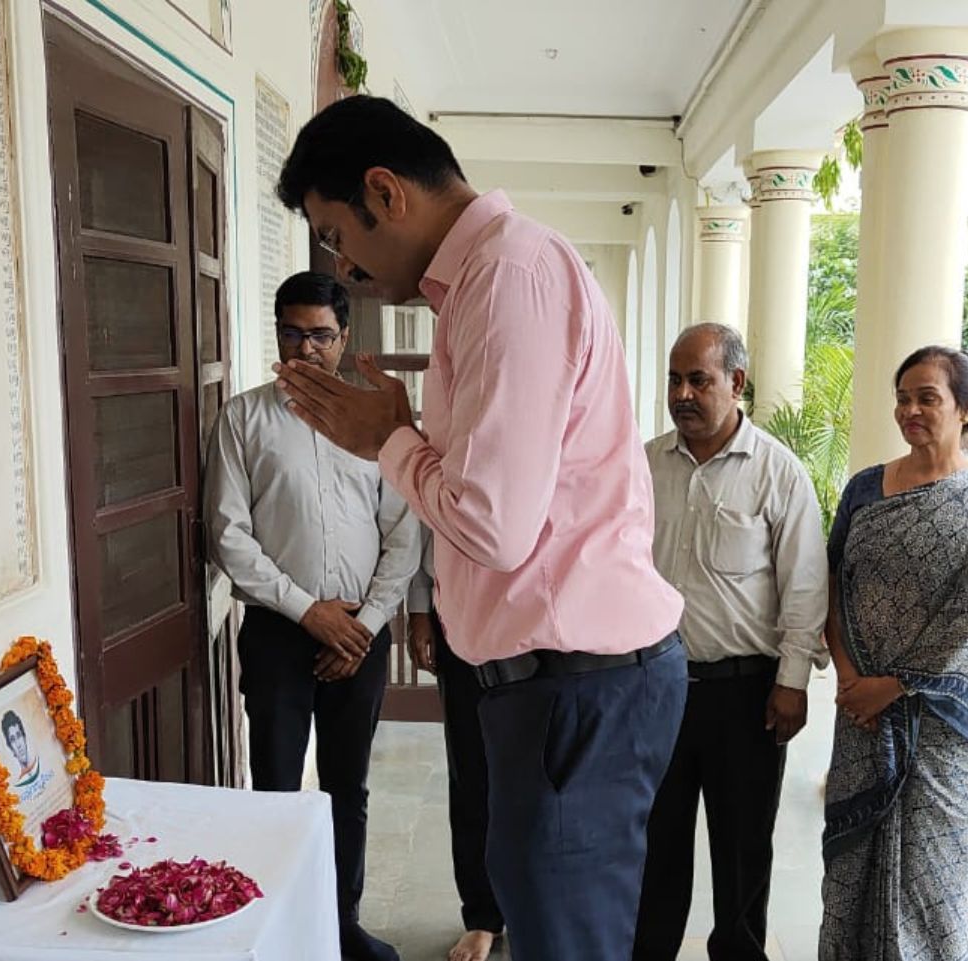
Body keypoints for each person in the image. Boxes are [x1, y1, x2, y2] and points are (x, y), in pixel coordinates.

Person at [271, 95, 687, 961]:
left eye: (336, 234)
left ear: (385, 191)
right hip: (549, 684)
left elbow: (492, 525)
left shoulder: (509, 277)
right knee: (545, 927)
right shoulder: (484, 283)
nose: (341, 265)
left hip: (574, 684)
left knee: (566, 943)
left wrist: (388, 438)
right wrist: (404, 438)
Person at [204, 270, 422, 961]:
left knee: (345, 789)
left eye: (321, 336)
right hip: (278, 632)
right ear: (277, 335)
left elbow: (404, 530)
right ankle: (277, 933)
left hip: (359, 633)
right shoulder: (243, 418)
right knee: (274, 788)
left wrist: (364, 625)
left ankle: (339, 925)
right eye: (293, 334)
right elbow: (227, 534)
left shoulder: (377, 427)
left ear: (344, 337)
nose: (307, 349)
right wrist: (307, 612)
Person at [633, 324, 826, 961]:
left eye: (699, 380)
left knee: (742, 849)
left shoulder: (777, 472)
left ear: (736, 382)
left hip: (745, 695)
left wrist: (792, 682)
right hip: (656, 688)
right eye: (674, 379)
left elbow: (804, 584)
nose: (682, 394)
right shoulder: (643, 465)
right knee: (654, 842)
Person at [817, 347, 968, 961]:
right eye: (903, 398)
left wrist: (893, 685)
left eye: (928, 398)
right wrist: (851, 678)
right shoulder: (864, 488)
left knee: (933, 881)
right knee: (852, 870)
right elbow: (832, 583)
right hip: (860, 713)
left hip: (940, 727)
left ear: (966, 409)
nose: (910, 410)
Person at [406, 533, 505, 961]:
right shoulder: (448, 478)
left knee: (542, 781)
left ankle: (535, 907)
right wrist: (419, 610)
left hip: (538, 623)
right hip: (459, 617)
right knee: (471, 773)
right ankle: (483, 916)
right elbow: (422, 525)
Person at [1, 710, 48, 802]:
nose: (18, 745)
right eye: (13, 740)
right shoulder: (16, 786)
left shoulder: (41, 763)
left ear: (24, 737)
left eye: (19, 736)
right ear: (10, 747)